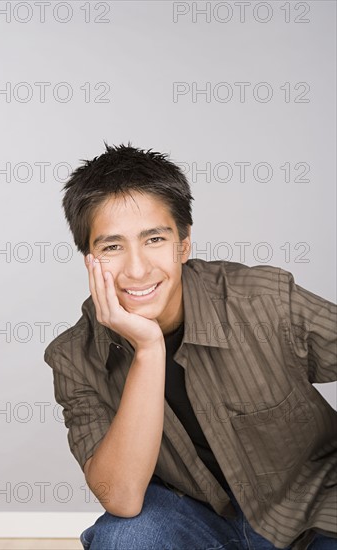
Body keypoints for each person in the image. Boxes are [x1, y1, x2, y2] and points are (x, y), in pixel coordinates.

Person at [44, 144, 337, 550]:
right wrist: (148, 349)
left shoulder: (264, 300)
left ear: (183, 244)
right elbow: (123, 497)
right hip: (193, 516)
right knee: (124, 540)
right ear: (89, 259)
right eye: (112, 247)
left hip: (311, 509)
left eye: (154, 239)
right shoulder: (73, 358)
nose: (136, 268)